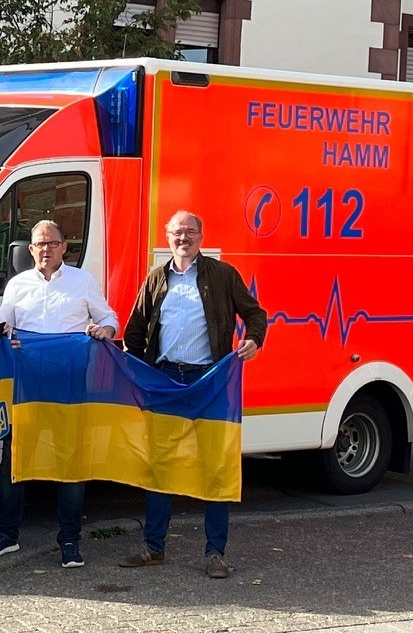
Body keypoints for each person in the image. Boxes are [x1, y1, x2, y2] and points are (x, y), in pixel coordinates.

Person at [119, 210, 267, 579]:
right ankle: (154, 548)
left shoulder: (222, 275)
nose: (182, 238)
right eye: (176, 233)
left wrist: (253, 339)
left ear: (201, 237)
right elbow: (135, 332)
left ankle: (215, 553)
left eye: (189, 232)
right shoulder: (156, 279)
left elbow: (255, 313)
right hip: (166, 380)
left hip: (210, 381)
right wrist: (137, 375)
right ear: (166, 238)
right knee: (159, 466)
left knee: (215, 465)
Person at [0, 219, 118, 569]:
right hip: (26, 386)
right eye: (39, 244)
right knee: (15, 459)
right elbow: (1, 327)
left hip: (69, 385)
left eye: (52, 244)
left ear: (63, 248)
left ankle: (70, 540)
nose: (45, 250)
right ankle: (7, 535)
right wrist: (4, 338)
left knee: (69, 463)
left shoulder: (82, 281)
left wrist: (104, 329)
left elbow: (110, 318)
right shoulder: (17, 284)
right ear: (30, 250)